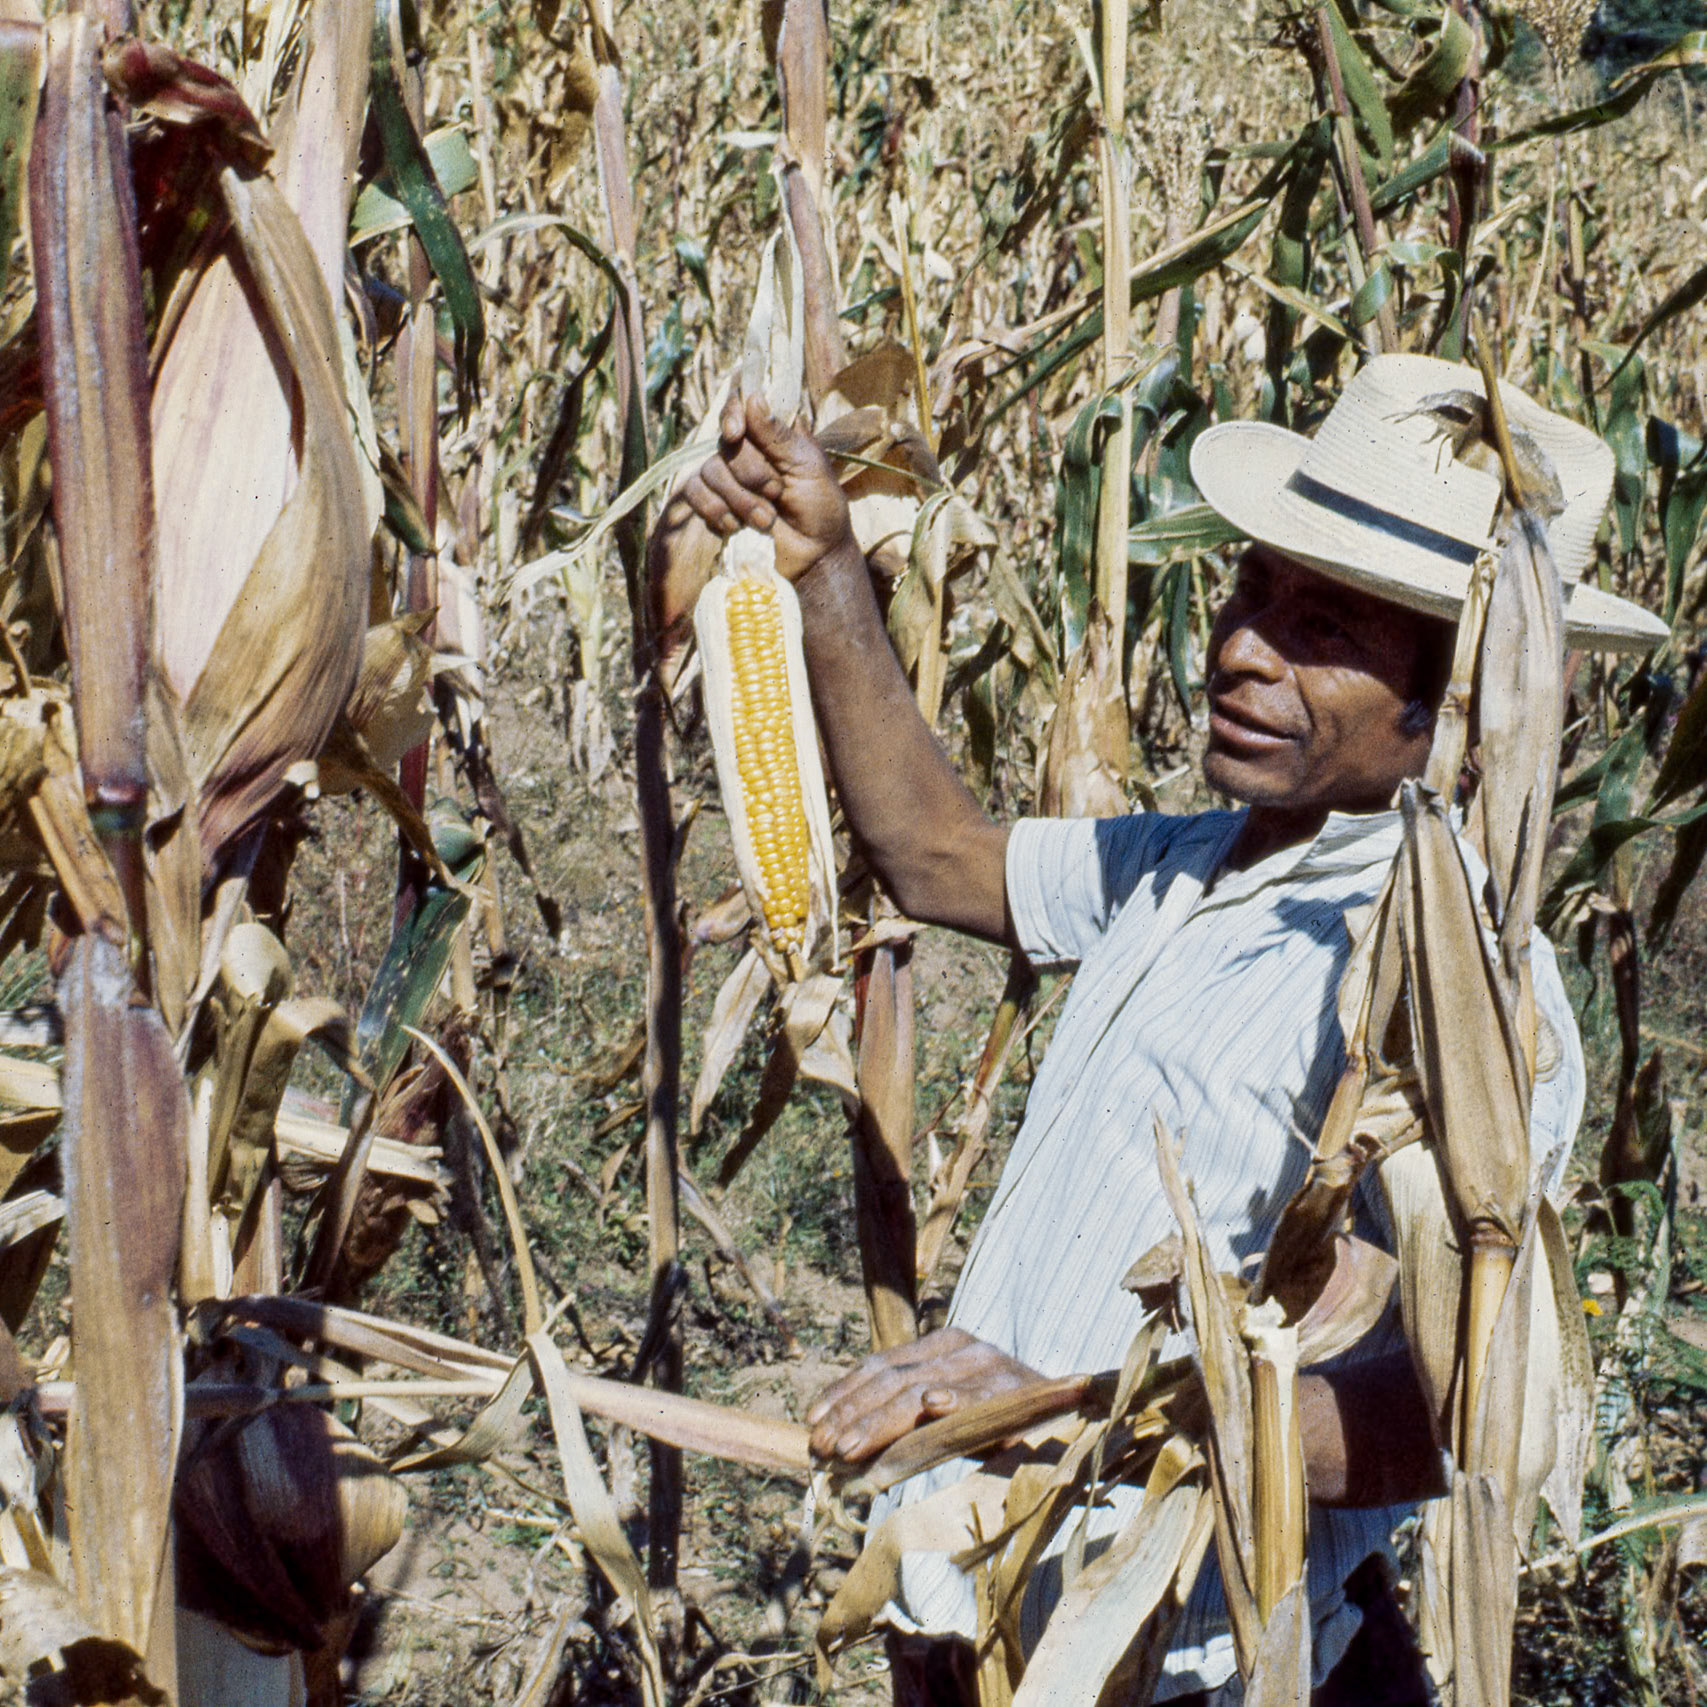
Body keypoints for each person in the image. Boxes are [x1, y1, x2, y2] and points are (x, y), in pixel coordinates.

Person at [652, 353, 1667, 1704]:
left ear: (1462, 708)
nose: (1243, 647)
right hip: (994, 1594)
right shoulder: (1193, 857)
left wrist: (1074, 1411)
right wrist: (828, 564)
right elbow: (941, 858)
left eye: (1331, 629)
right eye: (1254, 589)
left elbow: (1457, 1419)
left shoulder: (1465, 992)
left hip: (1193, 1653)